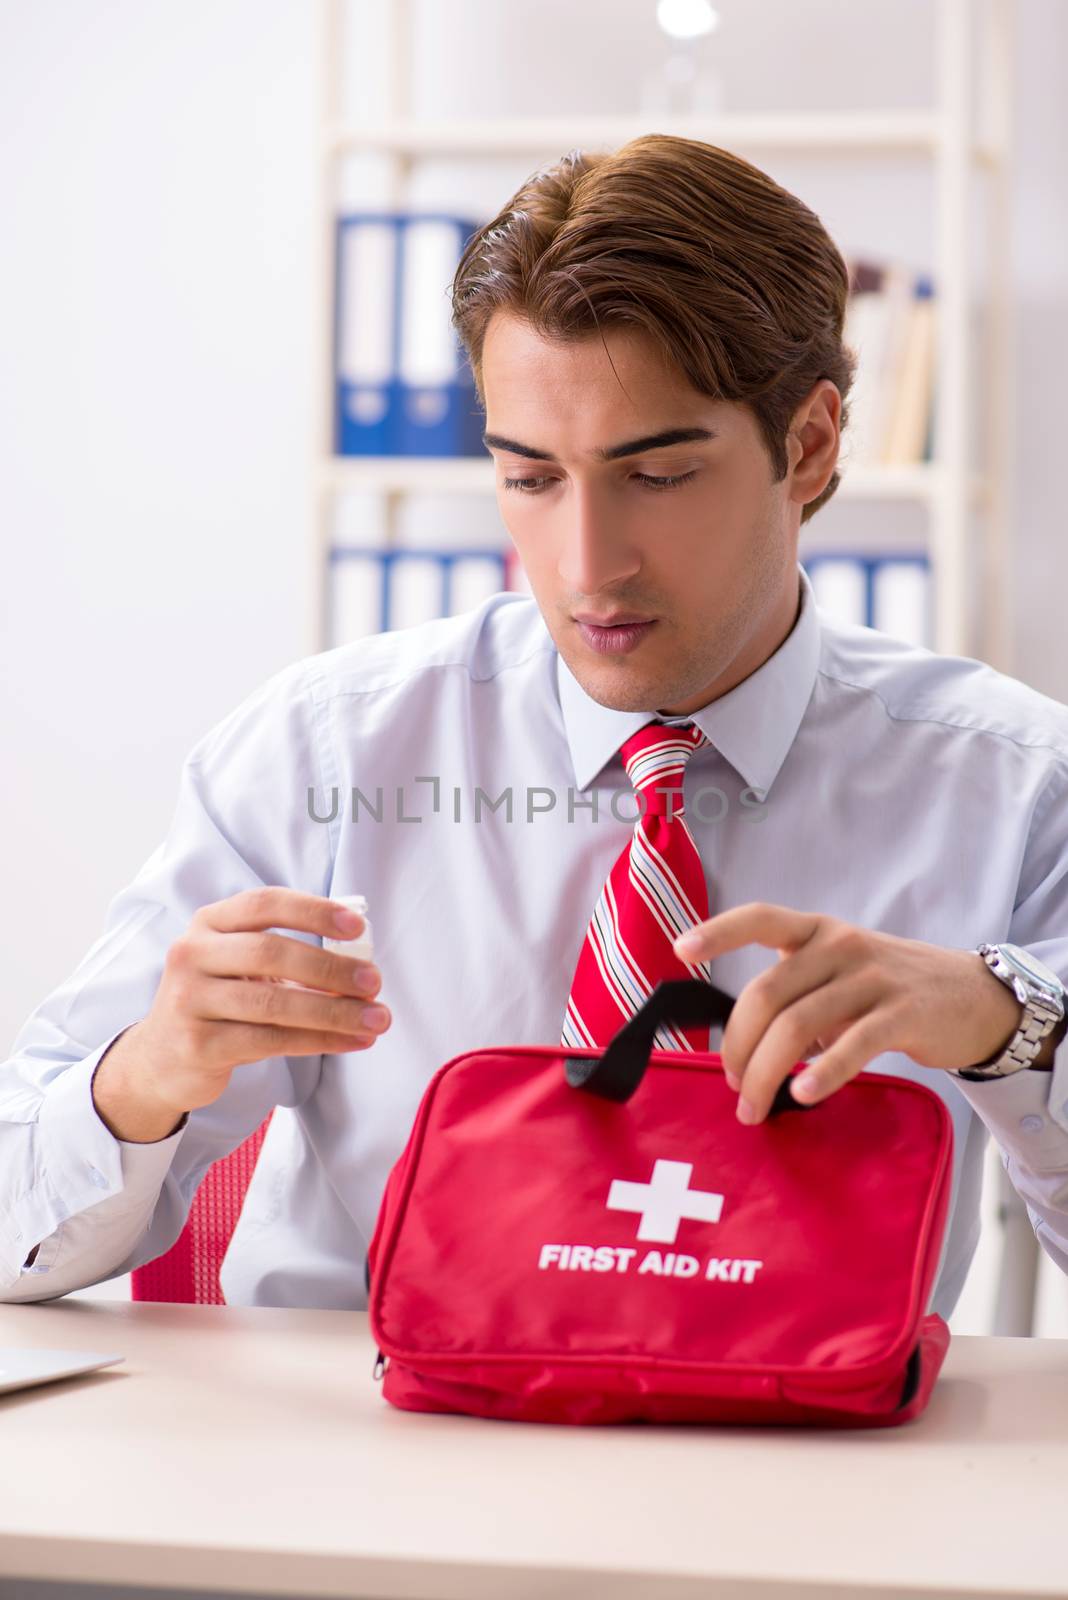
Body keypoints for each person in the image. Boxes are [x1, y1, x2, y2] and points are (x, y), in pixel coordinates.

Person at [3, 134, 1067, 1315]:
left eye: (655, 476)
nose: (585, 565)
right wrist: (142, 1075)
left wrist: (1011, 1025)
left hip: (806, 1461)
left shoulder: (1014, 786)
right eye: (531, 477)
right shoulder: (322, 752)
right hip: (368, 1463)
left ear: (807, 447)